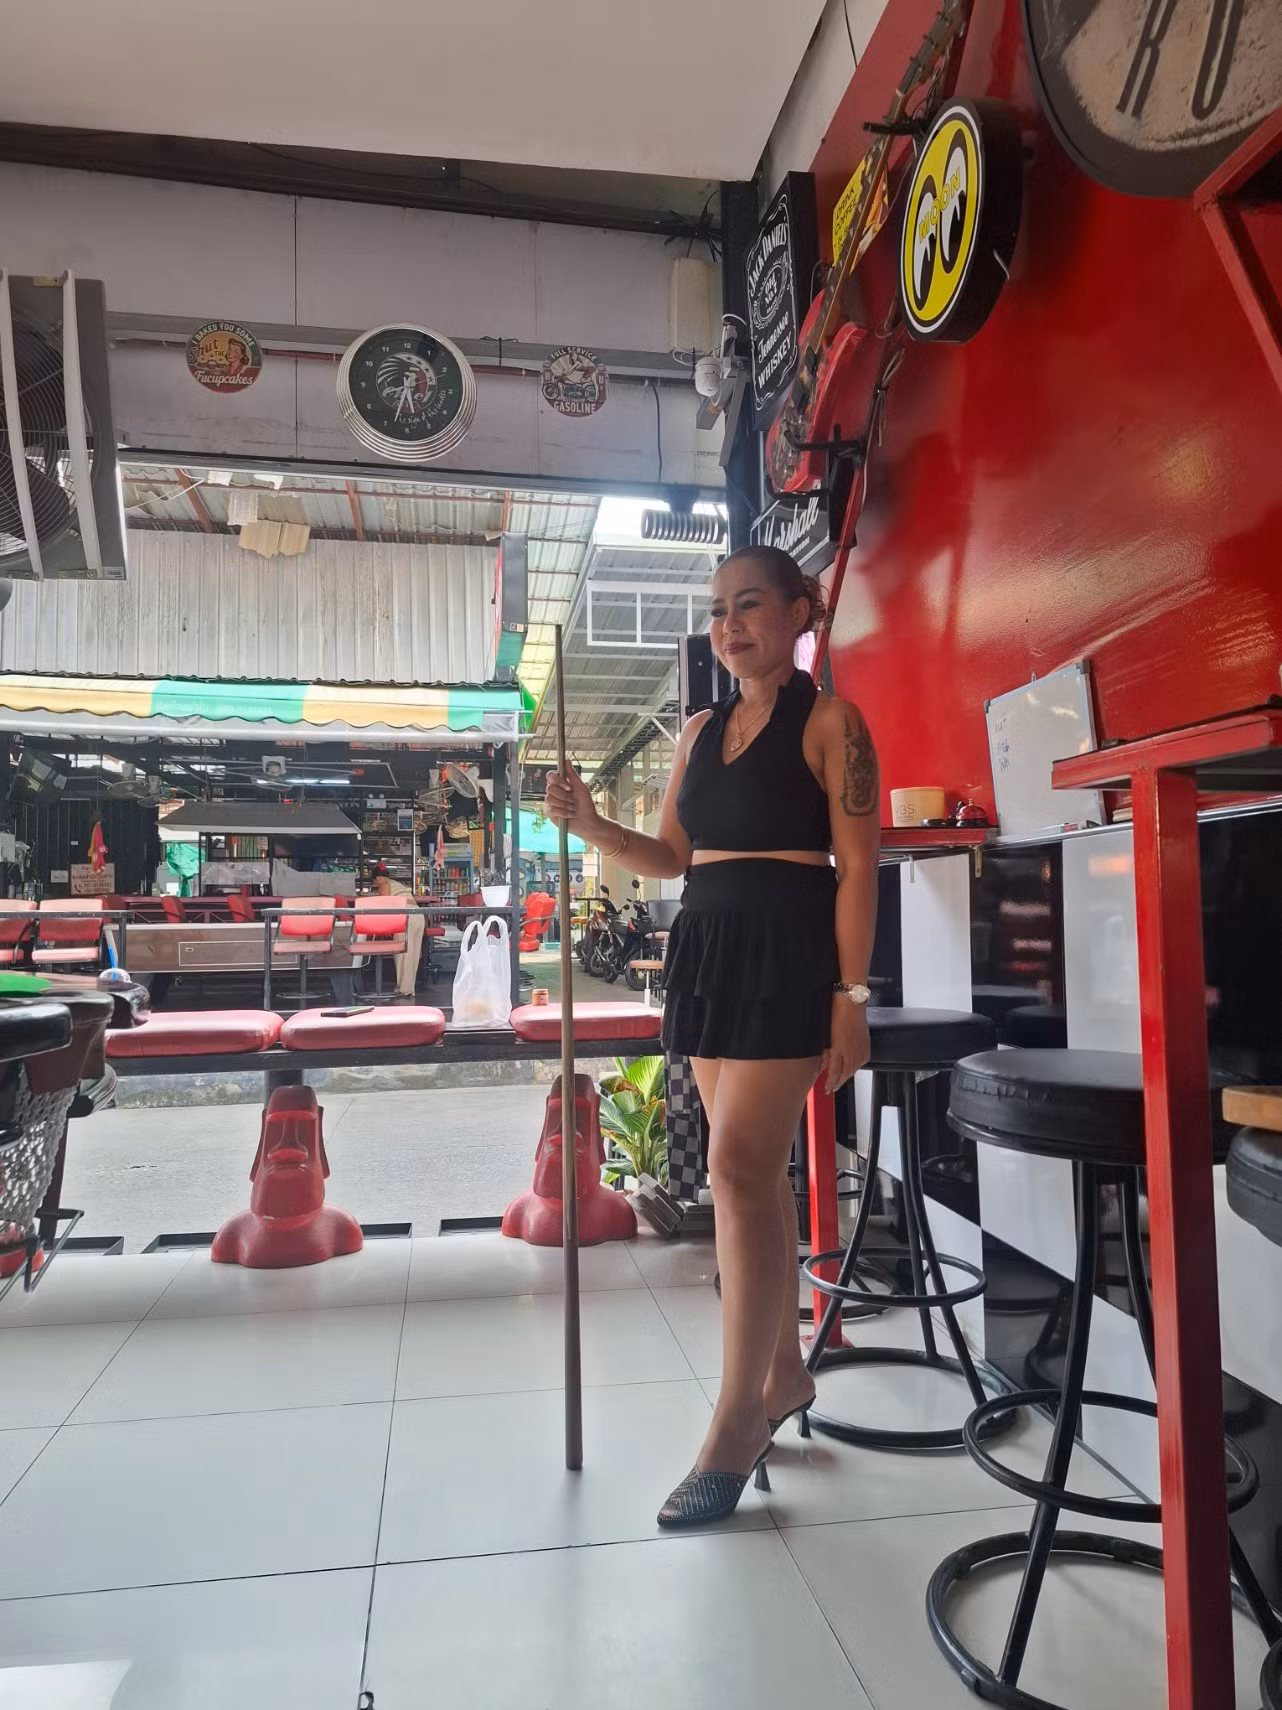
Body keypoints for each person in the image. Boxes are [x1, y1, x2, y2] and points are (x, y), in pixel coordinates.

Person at [545, 544, 879, 1526]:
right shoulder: (695, 731)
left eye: (750, 605)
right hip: (706, 947)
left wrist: (850, 994)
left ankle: (736, 1423)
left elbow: (858, 868)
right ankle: (782, 1373)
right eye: (718, 610)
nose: (729, 626)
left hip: (787, 950)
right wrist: (591, 825)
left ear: (798, 612)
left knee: (734, 1171)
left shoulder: (832, 724)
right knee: (756, 1177)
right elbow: (670, 856)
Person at [371, 865, 424, 999]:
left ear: (378, 878)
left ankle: (404, 989)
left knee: (403, 953)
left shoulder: (384, 885)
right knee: (413, 954)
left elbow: (383, 906)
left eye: (374, 881)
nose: (375, 885)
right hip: (418, 915)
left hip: (405, 916)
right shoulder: (398, 885)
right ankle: (409, 988)